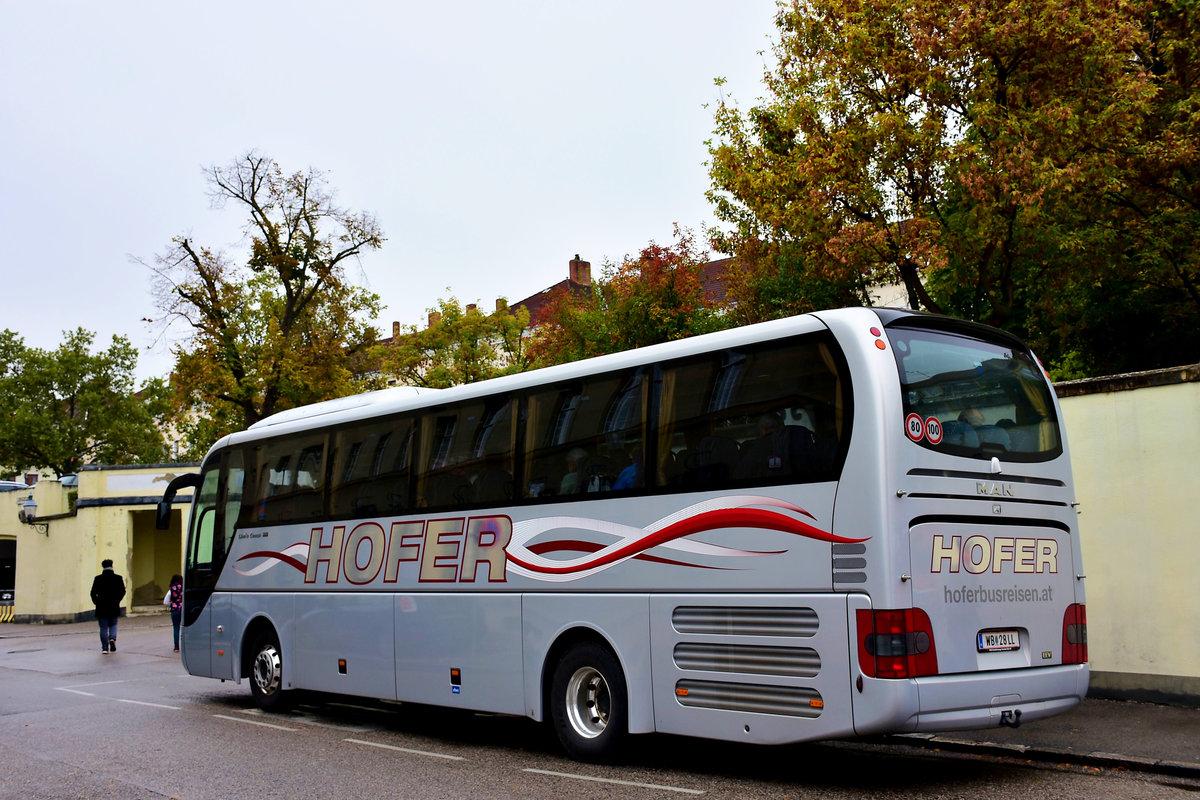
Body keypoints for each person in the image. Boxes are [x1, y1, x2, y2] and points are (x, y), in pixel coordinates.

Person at [90, 558, 126, 654]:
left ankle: (105, 648)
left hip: (101, 606)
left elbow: (93, 592)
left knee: (103, 627)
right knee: (113, 624)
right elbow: (123, 591)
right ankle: (112, 638)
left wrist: (96, 602)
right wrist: (118, 600)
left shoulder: (98, 579)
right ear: (112, 566)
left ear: (103, 567)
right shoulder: (118, 578)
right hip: (114, 605)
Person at [165, 573, 183, 652]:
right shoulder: (183, 588)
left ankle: (176, 647)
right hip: (183, 609)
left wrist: (172, 605)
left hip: (175, 610)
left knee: (176, 628)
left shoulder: (171, 589)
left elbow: (165, 602)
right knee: (184, 628)